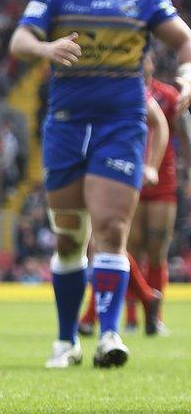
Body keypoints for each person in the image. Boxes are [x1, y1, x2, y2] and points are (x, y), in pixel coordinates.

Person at [8, 0, 191, 369]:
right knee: (69, 237)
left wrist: (187, 74)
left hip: (121, 124)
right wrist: (46, 49)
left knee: (111, 229)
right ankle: (66, 340)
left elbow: (185, 40)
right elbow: (20, 40)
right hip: (67, 124)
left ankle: (110, 335)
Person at [77, 89, 167, 336]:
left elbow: (163, 124)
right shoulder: (91, 82)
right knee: (108, 246)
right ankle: (144, 302)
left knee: (107, 244)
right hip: (100, 164)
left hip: (127, 170)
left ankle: (100, 323)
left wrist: (153, 166)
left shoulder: (133, 85)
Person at [126, 50, 186, 334]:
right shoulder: (121, 94)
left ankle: (155, 317)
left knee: (156, 250)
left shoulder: (168, 95)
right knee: (130, 249)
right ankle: (130, 318)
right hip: (129, 178)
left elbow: (183, 134)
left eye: (144, 58)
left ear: (151, 62)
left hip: (163, 181)